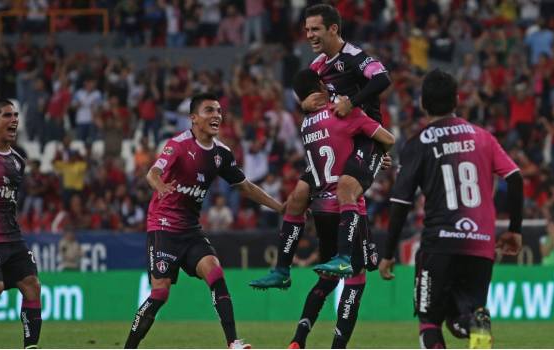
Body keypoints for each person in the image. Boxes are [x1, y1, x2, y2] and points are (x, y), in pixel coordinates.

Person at [123, 93, 284, 349]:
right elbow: (152, 173)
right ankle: (129, 347)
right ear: (194, 118)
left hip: (190, 229)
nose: (217, 116)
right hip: (163, 226)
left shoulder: (221, 153)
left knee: (215, 271)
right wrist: (161, 185)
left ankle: (233, 342)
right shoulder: (177, 145)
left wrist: (280, 207)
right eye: (209, 110)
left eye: (219, 111)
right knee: (160, 293)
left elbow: (245, 187)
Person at [378, 70, 524, 349]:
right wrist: (515, 230)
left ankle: (472, 325)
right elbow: (515, 178)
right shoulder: (483, 137)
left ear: (422, 103)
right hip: (481, 245)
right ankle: (475, 324)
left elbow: (400, 203)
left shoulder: (419, 143)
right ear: (457, 100)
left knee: (429, 321)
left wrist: (388, 253)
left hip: (439, 243)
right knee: (461, 318)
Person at [250, 4, 391, 288]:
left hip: (367, 139)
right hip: (339, 141)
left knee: (347, 188)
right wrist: (303, 104)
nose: (309, 35)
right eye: (306, 30)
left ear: (333, 29)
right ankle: (281, 270)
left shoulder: (354, 56)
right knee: (299, 195)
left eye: (315, 29)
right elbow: (306, 98)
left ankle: (344, 257)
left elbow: (382, 79)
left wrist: (352, 102)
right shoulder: (317, 66)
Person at [278, 69, 394, 349]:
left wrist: (372, 160)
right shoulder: (344, 112)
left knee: (329, 278)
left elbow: (336, 146)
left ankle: (298, 339)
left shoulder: (307, 123)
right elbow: (387, 139)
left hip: (321, 209)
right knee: (357, 278)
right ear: (321, 86)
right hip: (348, 210)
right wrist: (376, 155)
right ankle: (338, 347)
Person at [0, 99, 42, 348]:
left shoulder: (17, 161)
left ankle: (30, 346)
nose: (14, 119)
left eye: (15, 115)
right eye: (6, 115)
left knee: (32, 286)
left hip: (13, 239)